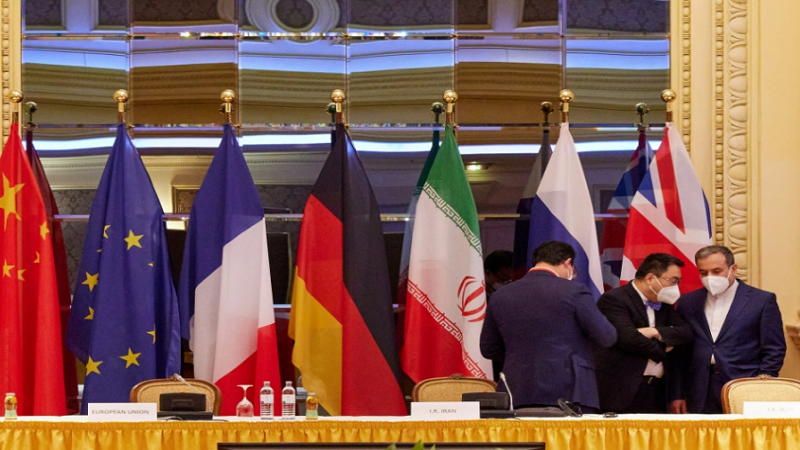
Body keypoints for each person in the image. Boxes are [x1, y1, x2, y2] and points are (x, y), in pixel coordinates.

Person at [480, 241, 617, 411]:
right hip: (570, 392)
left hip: (516, 390)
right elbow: (606, 337)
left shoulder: (500, 295)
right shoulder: (574, 291)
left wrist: (522, 354)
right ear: (567, 263)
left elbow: (488, 348)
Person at [670, 245, 786, 414]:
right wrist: (677, 394)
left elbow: (774, 349)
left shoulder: (761, 300)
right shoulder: (687, 302)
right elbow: (680, 354)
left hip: (744, 387)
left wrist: (761, 386)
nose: (710, 277)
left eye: (716, 271)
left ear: (733, 269)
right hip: (698, 391)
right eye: (703, 272)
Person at [593, 253, 693, 413]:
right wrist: (664, 348)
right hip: (621, 390)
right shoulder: (614, 299)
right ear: (650, 278)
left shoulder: (664, 304)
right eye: (673, 281)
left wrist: (654, 331)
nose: (676, 287)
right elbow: (628, 338)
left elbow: (686, 333)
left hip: (657, 392)